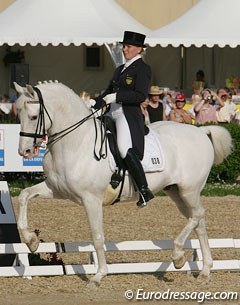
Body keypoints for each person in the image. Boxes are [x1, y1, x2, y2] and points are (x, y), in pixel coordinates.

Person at [91, 31, 154, 208]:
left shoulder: (143, 68)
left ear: (139, 49)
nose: (124, 49)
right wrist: (95, 101)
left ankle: (144, 190)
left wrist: (117, 97)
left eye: (128, 46)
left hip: (127, 114)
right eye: (123, 46)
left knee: (124, 148)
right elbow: (107, 92)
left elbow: (140, 95)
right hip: (111, 112)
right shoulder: (120, 69)